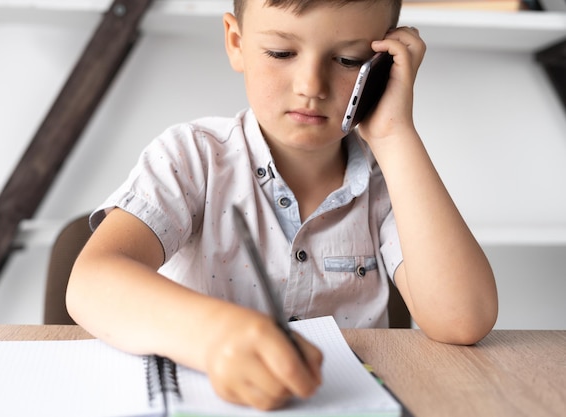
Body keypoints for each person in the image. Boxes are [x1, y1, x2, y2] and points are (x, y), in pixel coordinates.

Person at [66, 0, 498, 411]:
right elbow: (91, 283)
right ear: (236, 42)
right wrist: (217, 337)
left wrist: (393, 134)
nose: (311, 85)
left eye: (348, 60)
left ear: (383, 65)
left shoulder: (393, 180)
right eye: (281, 51)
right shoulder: (192, 157)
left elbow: (463, 320)